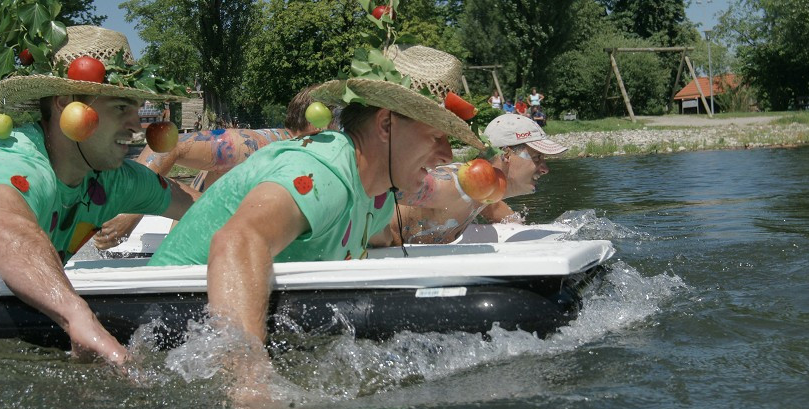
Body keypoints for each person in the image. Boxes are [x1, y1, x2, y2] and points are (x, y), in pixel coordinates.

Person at [147, 46, 483, 377]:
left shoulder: (378, 193)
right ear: (386, 125)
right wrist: (251, 386)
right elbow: (238, 240)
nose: (447, 155)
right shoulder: (321, 172)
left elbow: (379, 235)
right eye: (437, 136)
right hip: (161, 328)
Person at [0, 26, 197, 364]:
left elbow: (202, 208)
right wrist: (77, 314)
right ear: (65, 105)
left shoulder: (112, 179)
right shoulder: (9, 163)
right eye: (121, 108)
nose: (137, 126)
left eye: (136, 108)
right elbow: (4, 229)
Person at [92, 86, 340, 250]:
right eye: (337, 123)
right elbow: (170, 144)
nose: (340, 132)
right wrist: (132, 211)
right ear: (316, 122)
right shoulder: (258, 144)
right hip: (192, 257)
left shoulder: (296, 152)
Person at [371, 112, 567, 246]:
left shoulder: (485, 194)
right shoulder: (458, 185)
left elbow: (503, 215)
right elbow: (385, 188)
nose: (545, 169)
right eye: (537, 158)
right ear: (507, 155)